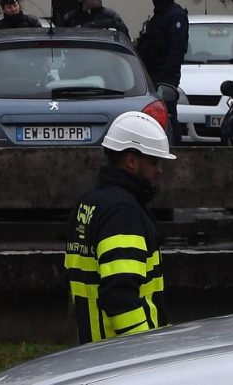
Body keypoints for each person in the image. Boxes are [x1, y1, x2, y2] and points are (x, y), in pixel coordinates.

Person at [65, 111, 175, 344]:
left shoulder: (91, 201)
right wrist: (144, 347)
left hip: (92, 346)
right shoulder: (122, 212)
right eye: (154, 161)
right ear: (132, 161)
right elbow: (119, 294)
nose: (159, 170)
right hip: (121, 355)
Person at [134, 0, 189, 140]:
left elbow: (177, 49)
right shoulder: (159, 16)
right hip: (152, 75)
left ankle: (174, 146)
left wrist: (167, 78)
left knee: (168, 116)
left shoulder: (175, 15)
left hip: (164, 78)